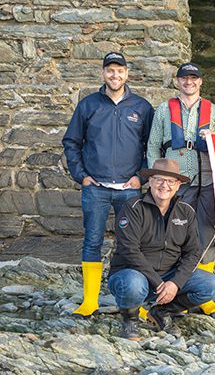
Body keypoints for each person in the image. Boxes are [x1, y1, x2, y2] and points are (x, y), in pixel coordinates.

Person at [62, 52, 154, 317]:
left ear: (127, 73)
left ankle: (135, 301)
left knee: (134, 243)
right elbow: (71, 142)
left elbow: (153, 144)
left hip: (129, 189)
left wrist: (142, 177)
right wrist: (81, 175)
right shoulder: (89, 105)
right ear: (103, 73)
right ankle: (90, 300)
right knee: (92, 241)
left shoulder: (141, 107)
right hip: (96, 188)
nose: (115, 76)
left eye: (120, 71)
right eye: (110, 71)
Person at [108, 158, 215, 340]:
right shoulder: (133, 208)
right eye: (159, 179)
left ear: (178, 185)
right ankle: (130, 320)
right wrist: (160, 284)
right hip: (133, 273)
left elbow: (193, 252)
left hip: (169, 274)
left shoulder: (186, 211)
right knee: (133, 284)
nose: (164, 185)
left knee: (212, 285)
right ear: (151, 181)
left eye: (170, 181)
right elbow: (129, 250)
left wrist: (175, 283)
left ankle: (161, 312)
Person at [147, 62, 215, 315]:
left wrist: (211, 139)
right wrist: (155, 179)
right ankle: (172, 286)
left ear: (200, 81)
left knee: (206, 233)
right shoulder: (163, 110)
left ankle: (202, 295)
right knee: (176, 232)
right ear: (177, 81)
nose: (189, 82)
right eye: (184, 78)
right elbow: (153, 145)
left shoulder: (212, 110)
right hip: (176, 180)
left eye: (194, 78)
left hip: (207, 178)